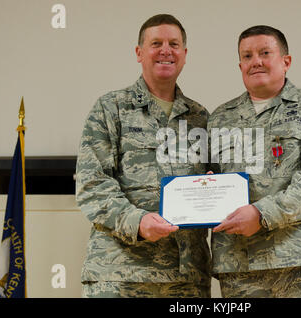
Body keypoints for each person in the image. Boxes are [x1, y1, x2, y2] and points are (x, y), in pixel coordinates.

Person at [207, 25, 301, 298]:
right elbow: (208, 179)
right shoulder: (219, 118)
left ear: (286, 61)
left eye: (264, 53)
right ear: (240, 66)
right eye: (247, 56)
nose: (256, 61)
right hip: (240, 266)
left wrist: (262, 214)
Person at [75, 14, 211, 298]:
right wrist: (138, 222)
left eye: (174, 44)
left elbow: (213, 185)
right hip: (120, 276)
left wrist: (213, 189)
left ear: (184, 55)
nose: (166, 50)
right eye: (156, 43)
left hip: (186, 280)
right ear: (139, 53)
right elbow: (91, 186)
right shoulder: (110, 108)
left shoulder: (200, 118)